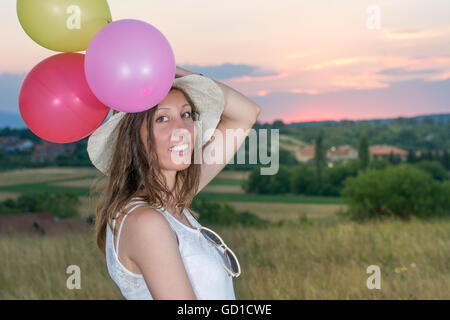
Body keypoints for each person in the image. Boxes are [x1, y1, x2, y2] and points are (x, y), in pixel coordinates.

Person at [87, 67, 261, 300]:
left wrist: (164, 68)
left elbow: (247, 113)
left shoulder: (173, 199)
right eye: (162, 118)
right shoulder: (145, 221)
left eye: (186, 114)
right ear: (133, 138)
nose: (181, 129)